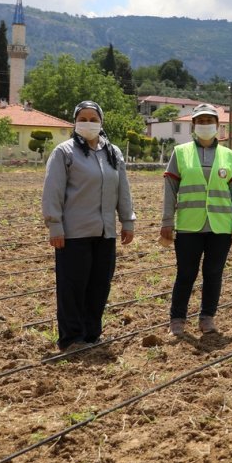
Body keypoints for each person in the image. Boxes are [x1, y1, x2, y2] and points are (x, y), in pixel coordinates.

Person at [41, 100, 136, 351]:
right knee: (72, 287)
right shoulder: (64, 152)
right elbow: (53, 191)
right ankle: (72, 338)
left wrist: (127, 220)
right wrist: (55, 225)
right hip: (74, 233)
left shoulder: (113, 153)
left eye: (94, 119)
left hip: (106, 232)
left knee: (99, 285)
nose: (89, 123)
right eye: (83, 118)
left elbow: (122, 190)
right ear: (75, 121)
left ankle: (92, 335)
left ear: (101, 122)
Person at [161, 103, 232, 336]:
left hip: (220, 226)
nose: (205, 125)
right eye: (201, 121)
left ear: (218, 125)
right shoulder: (180, 152)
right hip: (189, 225)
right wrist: (167, 221)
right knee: (185, 273)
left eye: (209, 121)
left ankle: (207, 318)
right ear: (193, 125)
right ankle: (177, 320)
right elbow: (170, 188)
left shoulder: (231, 156)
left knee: (214, 273)